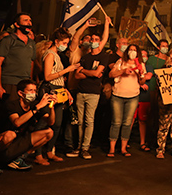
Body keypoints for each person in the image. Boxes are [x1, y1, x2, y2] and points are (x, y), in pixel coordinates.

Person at [34, 27, 80, 165]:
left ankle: (49, 151)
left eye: (66, 43)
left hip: (59, 91)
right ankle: (37, 153)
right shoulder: (49, 55)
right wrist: (68, 69)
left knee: (57, 123)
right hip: (50, 90)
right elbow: (47, 76)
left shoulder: (57, 55)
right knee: (44, 122)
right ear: (56, 41)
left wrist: (66, 91)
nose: (65, 46)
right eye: (64, 43)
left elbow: (59, 79)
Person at [0, 79, 57, 171]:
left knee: (49, 132)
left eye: (35, 90)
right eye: (30, 90)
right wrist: (37, 108)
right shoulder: (12, 104)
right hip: (4, 144)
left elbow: (50, 122)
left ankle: (19, 159)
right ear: (21, 93)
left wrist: (52, 107)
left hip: (21, 140)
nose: (33, 93)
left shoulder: (34, 104)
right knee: (10, 135)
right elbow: (17, 123)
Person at [72, 18, 110, 159]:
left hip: (93, 93)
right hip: (81, 92)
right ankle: (79, 146)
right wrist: (91, 73)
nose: (93, 41)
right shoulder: (86, 57)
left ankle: (85, 148)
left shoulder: (103, 56)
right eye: (92, 39)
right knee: (80, 121)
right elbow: (77, 76)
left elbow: (95, 74)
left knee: (89, 121)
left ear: (100, 42)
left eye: (96, 39)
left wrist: (85, 72)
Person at [108, 44, 146, 157]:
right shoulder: (120, 62)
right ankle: (112, 149)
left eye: (134, 50)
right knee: (116, 122)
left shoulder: (141, 64)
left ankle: (124, 148)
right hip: (118, 95)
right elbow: (111, 74)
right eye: (130, 50)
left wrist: (141, 74)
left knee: (127, 123)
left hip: (133, 96)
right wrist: (122, 71)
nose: (132, 52)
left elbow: (142, 82)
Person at [0, 13, 36, 100]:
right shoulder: (8, 40)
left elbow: (31, 63)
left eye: (30, 20)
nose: (29, 23)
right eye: (25, 20)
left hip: (25, 84)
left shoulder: (31, 43)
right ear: (16, 24)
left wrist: (30, 82)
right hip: (9, 82)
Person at [143, 39, 170, 150]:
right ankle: (150, 141)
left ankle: (162, 141)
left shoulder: (169, 60)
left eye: (166, 46)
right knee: (152, 115)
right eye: (163, 46)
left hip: (165, 90)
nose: (165, 48)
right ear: (158, 47)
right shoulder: (152, 59)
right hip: (153, 88)